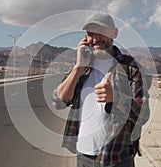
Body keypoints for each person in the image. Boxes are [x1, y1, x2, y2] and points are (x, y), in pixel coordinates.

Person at [53, 12, 148, 167]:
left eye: (101, 32)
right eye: (90, 34)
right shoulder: (82, 65)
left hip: (117, 157)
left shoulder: (131, 67)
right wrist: (78, 68)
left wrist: (116, 98)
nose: (96, 39)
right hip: (83, 155)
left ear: (114, 33)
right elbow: (59, 102)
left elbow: (143, 114)